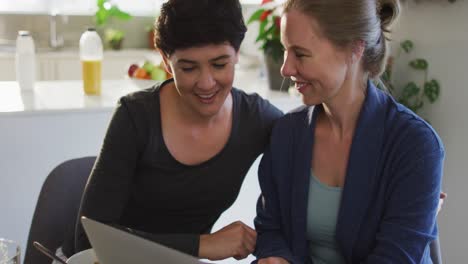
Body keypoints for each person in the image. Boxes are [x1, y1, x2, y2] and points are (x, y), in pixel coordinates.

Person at [71, 0, 283, 261]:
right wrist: (201, 246)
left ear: (237, 53)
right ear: (165, 60)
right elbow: (89, 239)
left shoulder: (257, 119)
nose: (206, 83)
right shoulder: (135, 116)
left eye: (219, 65)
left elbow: (309, 142)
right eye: (188, 68)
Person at [253, 0, 445, 263]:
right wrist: (275, 256)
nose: (286, 69)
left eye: (300, 54)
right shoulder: (287, 133)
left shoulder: (415, 146)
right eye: (286, 51)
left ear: (354, 49)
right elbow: (270, 228)